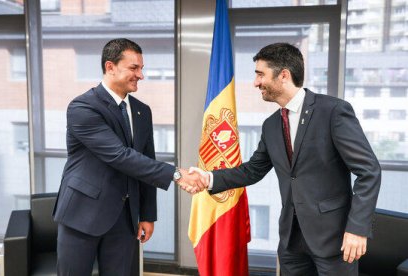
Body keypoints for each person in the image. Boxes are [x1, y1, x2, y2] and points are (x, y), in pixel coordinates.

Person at [190, 43, 381, 275]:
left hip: (335, 239)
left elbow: (369, 171)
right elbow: (252, 170)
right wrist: (208, 178)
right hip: (291, 241)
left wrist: (357, 228)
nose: (256, 83)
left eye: (260, 74)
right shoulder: (271, 125)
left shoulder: (333, 111)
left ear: (283, 75)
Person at [53, 38, 205, 276]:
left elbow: (146, 159)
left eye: (141, 68)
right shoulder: (83, 107)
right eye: (134, 68)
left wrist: (147, 214)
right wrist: (176, 174)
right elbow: (120, 156)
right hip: (82, 215)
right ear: (110, 67)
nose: (140, 75)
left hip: (124, 219)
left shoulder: (142, 110)